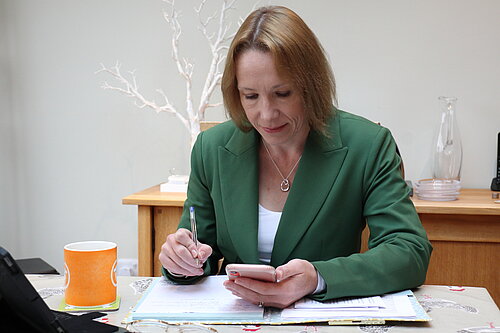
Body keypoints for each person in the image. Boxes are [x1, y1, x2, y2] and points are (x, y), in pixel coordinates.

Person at [159, 5, 432, 309]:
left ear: (311, 85)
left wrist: (317, 277)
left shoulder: (368, 145)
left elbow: (409, 252)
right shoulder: (211, 148)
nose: (266, 114)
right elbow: (200, 250)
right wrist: (181, 262)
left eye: (283, 93)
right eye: (250, 96)